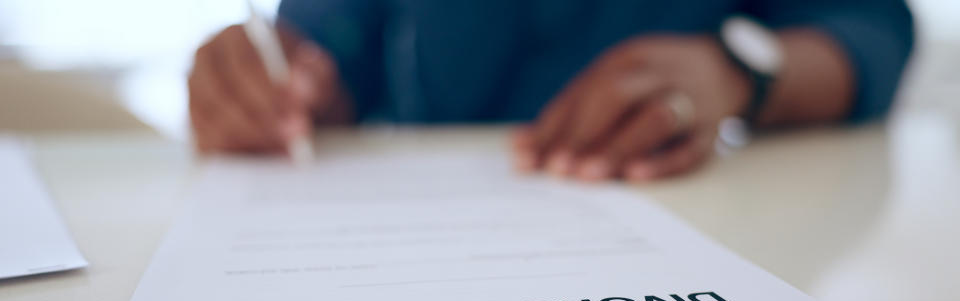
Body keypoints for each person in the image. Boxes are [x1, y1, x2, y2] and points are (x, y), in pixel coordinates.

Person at [188, 0, 914, 181]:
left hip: (684, 210)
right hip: (420, 248)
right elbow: (328, 56)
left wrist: (742, 69)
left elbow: (871, 29)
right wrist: (272, 86)